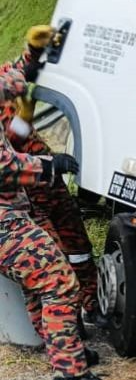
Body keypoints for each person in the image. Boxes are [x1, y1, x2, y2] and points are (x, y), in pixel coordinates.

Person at [0, 57, 118, 380]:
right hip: (4, 222)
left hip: (11, 215)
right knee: (59, 281)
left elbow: (12, 80)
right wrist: (50, 166)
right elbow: (5, 168)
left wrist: (30, 60)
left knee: (38, 284)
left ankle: (65, 353)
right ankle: (70, 376)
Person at [1, 26, 99, 327]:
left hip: (50, 184)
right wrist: (48, 161)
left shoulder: (3, 81)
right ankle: (62, 337)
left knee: (79, 249)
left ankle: (92, 305)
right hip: (29, 193)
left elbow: (16, 73)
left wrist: (33, 52)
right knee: (50, 260)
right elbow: (11, 154)